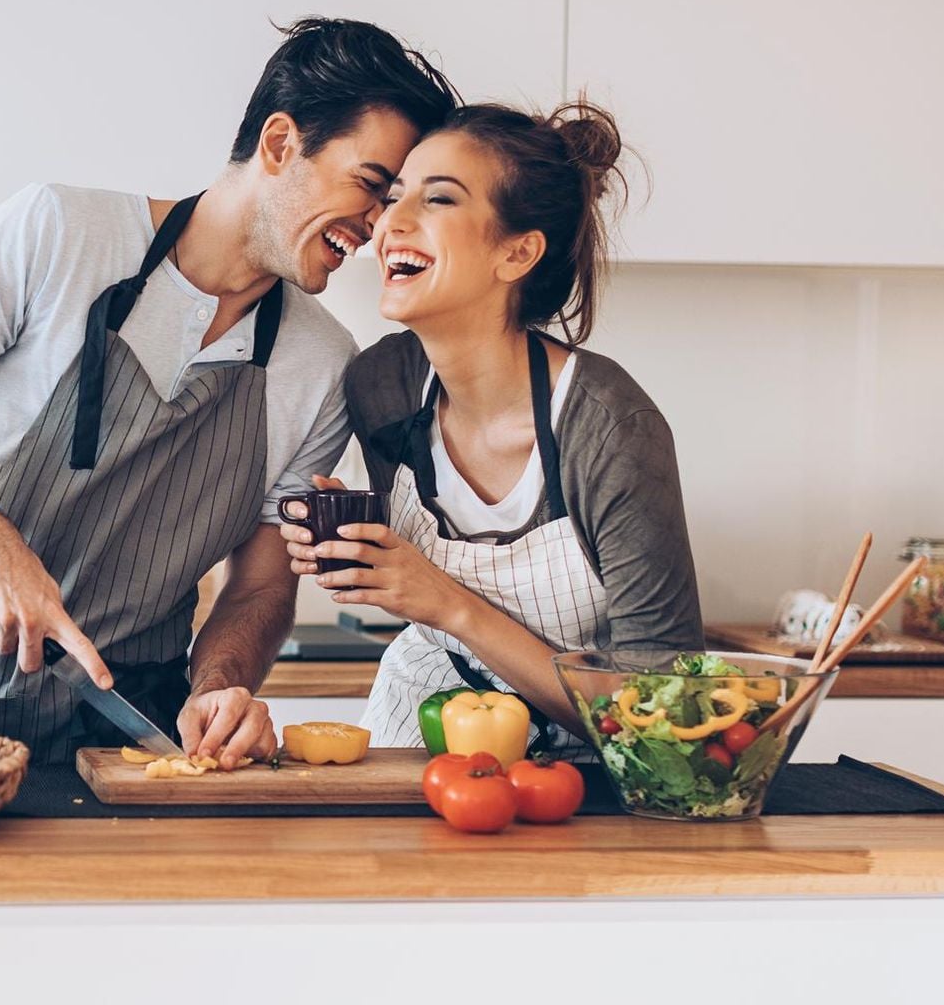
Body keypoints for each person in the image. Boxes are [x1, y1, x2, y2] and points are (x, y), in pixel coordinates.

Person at [0, 18, 458, 766]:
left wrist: (220, 688)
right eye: (372, 186)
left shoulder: (321, 363)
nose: (383, 226)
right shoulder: (60, 235)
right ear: (281, 143)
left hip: (141, 719)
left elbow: (258, 585)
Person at [280, 100, 701, 757]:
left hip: (590, 769)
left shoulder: (610, 428)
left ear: (517, 252)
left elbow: (663, 715)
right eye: (393, 198)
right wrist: (358, 552)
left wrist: (444, 601)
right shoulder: (381, 385)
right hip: (420, 726)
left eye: (438, 200)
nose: (392, 222)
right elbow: (413, 580)